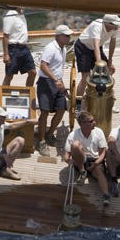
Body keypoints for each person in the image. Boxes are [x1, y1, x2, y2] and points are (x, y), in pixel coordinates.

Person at [36, 24, 73, 156]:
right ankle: (41, 141)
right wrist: (55, 80)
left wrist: (62, 86)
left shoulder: (63, 49)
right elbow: (43, 65)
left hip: (57, 82)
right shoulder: (50, 48)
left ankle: (50, 133)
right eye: (66, 36)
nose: (69, 38)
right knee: (44, 112)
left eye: (69, 36)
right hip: (46, 83)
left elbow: (57, 69)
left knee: (62, 109)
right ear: (58, 36)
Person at [0, 106, 37, 184]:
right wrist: (3, 156)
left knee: (20, 140)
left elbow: (13, 126)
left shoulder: (0, 124)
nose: (5, 117)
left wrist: (28, 122)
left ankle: (6, 169)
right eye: (3, 116)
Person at [63, 111, 111, 207]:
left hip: (95, 160)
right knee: (75, 145)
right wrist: (69, 160)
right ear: (83, 124)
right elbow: (66, 155)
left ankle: (106, 196)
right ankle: (82, 171)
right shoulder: (73, 135)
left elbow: (103, 152)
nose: (95, 122)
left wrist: (96, 163)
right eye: (91, 121)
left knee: (99, 172)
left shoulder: (99, 132)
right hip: (81, 159)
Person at [74, 14, 120, 102]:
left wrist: (110, 61)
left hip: (97, 47)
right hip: (83, 47)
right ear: (107, 23)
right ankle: (78, 102)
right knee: (86, 77)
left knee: (110, 70)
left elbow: (113, 43)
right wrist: (100, 64)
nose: (117, 26)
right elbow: (95, 45)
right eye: (115, 24)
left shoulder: (115, 27)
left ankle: (105, 97)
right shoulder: (96, 26)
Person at [2, 7, 37, 87]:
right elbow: (5, 35)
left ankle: (28, 93)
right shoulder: (10, 15)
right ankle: (2, 96)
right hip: (13, 48)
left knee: (33, 72)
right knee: (9, 74)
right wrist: (6, 54)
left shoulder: (21, 12)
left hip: (24, 47)